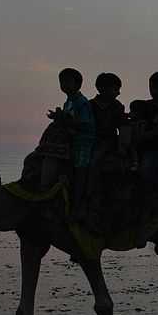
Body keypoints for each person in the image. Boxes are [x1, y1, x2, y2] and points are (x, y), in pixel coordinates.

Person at [48, 68, 95, 220]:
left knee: (80, 170)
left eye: (68, 81)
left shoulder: (82, 102)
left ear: (78, 84)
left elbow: (86, 124)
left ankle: (78, 203)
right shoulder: (68, 102)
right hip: (70, 139)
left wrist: (64, 119)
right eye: (62, 81)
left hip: (83, 141)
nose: (64, 84)